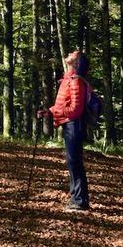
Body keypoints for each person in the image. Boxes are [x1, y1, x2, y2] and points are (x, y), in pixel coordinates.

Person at [38, 49, 92, 212]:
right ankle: (77, 199)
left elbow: (76, 109)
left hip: (73, 125)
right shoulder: (68, 79)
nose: (70, 54)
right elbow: (64, 104)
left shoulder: (75, 81)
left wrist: (57, 112)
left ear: (77, 62)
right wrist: (49, 111)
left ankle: (80, 201)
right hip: (69, 124)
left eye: (74, 54)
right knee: (72, 161)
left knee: (74, 162)